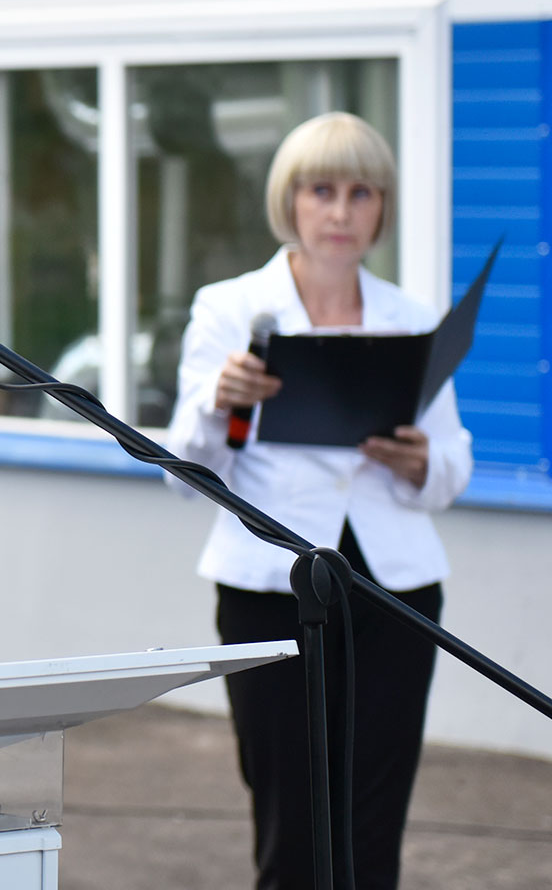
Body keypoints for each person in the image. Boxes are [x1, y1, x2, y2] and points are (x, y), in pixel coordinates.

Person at [167, 111, 473, 890]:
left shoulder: (413, 319)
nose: (340, 212)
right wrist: (218, 401)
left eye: (361, 193)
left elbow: (453, 467)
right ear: (290, 200)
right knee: (292, 820)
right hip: (271, 588)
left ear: (383, 207)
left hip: (395, 595)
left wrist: (421, 461)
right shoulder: (230, 307)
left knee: (374, 822)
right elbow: (180, 470)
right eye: (321, 191)